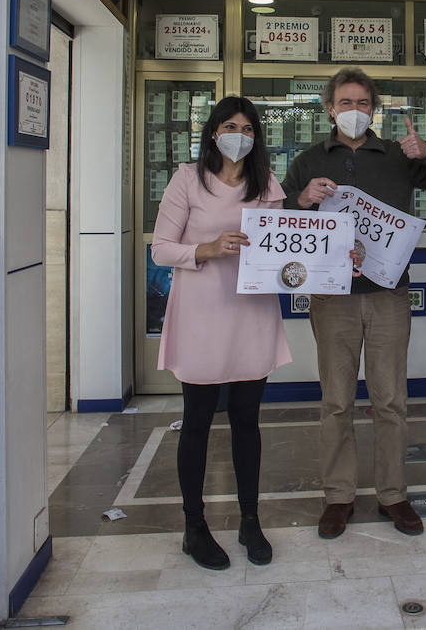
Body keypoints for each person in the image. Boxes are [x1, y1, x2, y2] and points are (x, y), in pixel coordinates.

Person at [283, 67, 426, 539]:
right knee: (336, 401)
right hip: (332, 297)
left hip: (388, 294)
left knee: (390, 401)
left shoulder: (400, 156)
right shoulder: (307, 160)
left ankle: (393, 495)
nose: (355, 111)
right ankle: (338, 497)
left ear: (374, 109)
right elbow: (278, 220)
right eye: (346, 103)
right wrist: (301, 199)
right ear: (329, 109)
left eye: (363, 103)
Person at [151, 96, 291, 571]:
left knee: (247, 421)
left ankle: (250, 521)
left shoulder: (266, 183)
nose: (240, 135)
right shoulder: (187, 179)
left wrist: (330, 259)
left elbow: (285, 245)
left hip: (251, 313)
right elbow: (161, 250)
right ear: (213, 132)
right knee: (198, 421)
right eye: (231, 126)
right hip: (201, 315)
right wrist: (206, 248)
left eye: (249, 128)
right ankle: (195, 526)